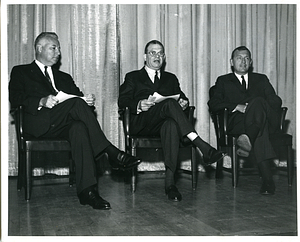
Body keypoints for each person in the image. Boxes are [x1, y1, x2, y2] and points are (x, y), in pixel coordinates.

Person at [9, 32, 141, 210]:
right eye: (53, 48)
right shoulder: (21, 71)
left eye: (59, 49)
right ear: (39, 48)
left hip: (62, 124)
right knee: (76, 108)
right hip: (38, 124)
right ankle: (110, 152)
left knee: (79, 128)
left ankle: (88, 192)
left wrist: (86, 101)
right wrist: (40, 101)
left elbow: (77, 101)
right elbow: (15, 98)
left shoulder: (64, 77)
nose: (58, 52)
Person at [118, 40, 226, 202]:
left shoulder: (170, 78)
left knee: (171, 125)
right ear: (144, 56)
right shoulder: (133, 77)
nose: (157, 56)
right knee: (169, 104)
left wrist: (184, 103)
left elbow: (181, 97)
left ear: (164, 57)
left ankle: (170, 184)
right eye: (152, 53)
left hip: (163, 124)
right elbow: (122, 101)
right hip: (142, 122)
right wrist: (139, 104)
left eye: (160, 53)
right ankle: (202, 145)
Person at [208, 46, 282, 195]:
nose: (243, 61)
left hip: (260, 120)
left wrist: (256, 106)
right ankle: (268, 180)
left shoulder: (261, 79)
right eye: (239, 58)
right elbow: (214, 104)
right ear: (231, 62)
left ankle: (248, 138)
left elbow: (276, 100)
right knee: (260, 129)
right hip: (239, 123)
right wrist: (236, 106)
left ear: (251, 61)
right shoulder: (223, 81)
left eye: (246, 58)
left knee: (259, 102)